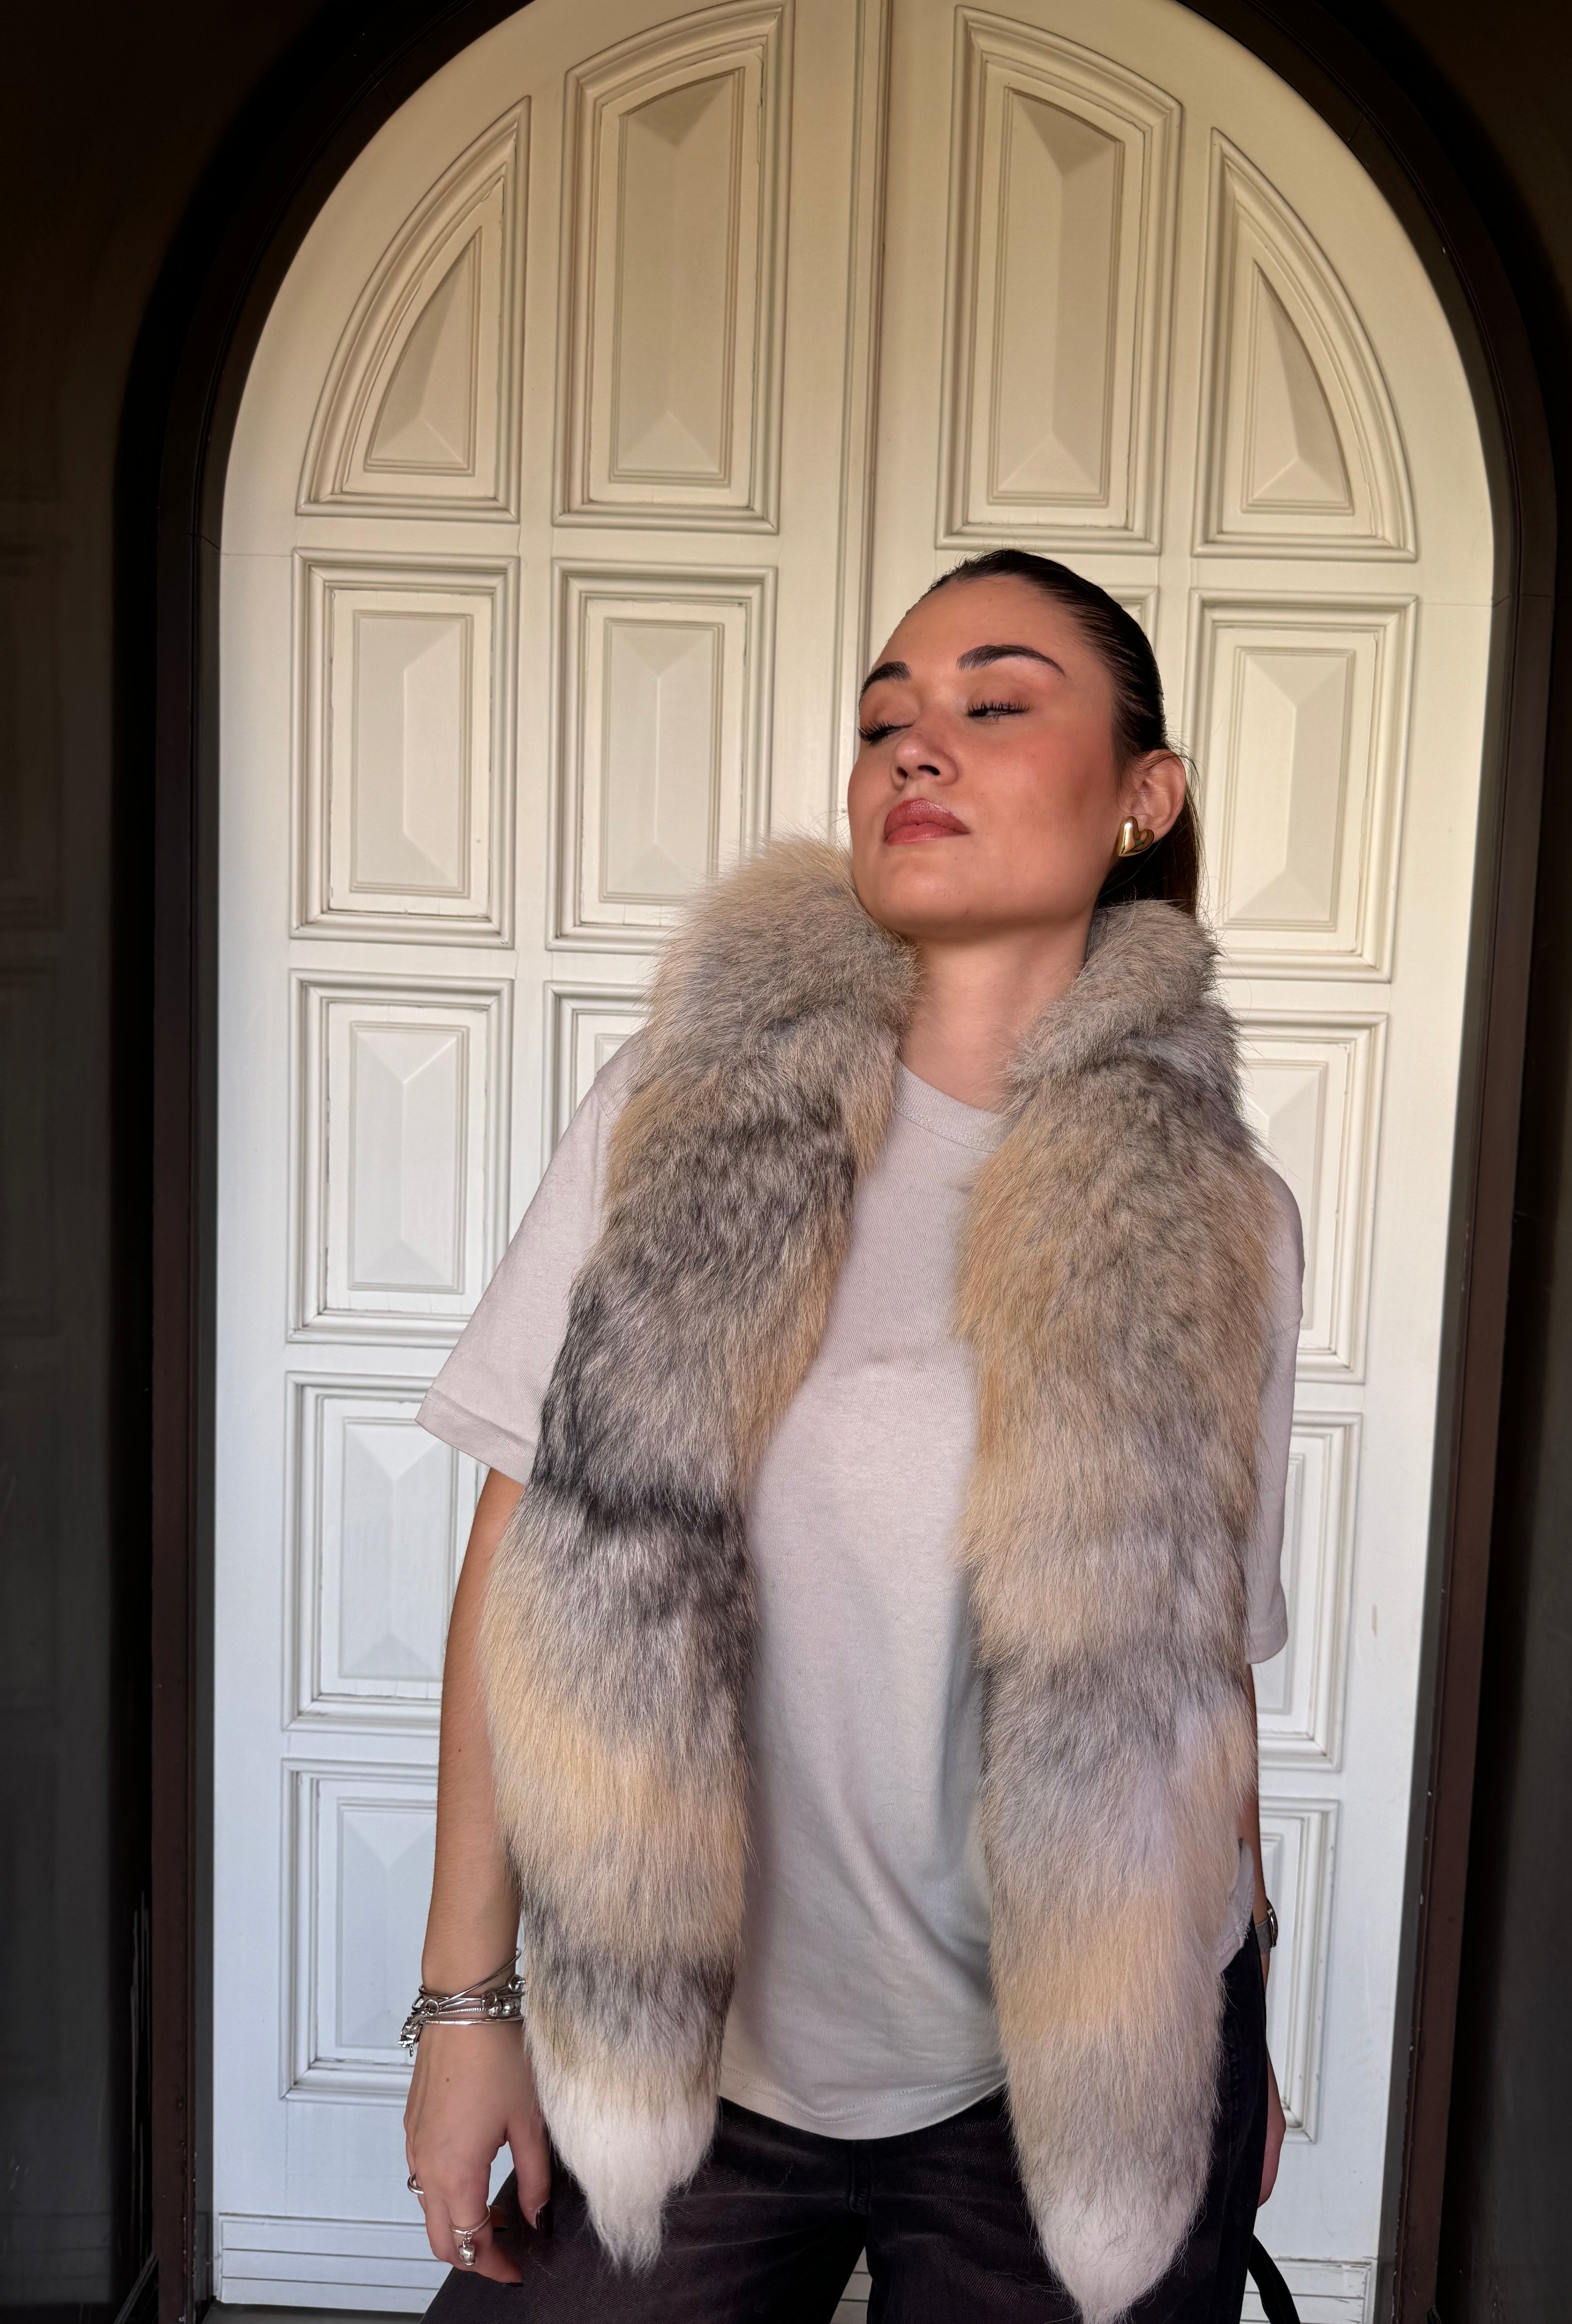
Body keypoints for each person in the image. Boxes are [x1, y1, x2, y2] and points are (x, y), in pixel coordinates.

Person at [403, 549, 1303, 2323]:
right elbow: (522, 1553)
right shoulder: (680, 1118)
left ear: (1144, 794)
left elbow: (1197, 1668)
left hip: (1065, 2067)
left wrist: (1226, 2009)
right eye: (885, 718)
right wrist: (464, 2007)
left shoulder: (1223, 1216)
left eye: (993, 703)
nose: (916, 747)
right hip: (697, 2041)